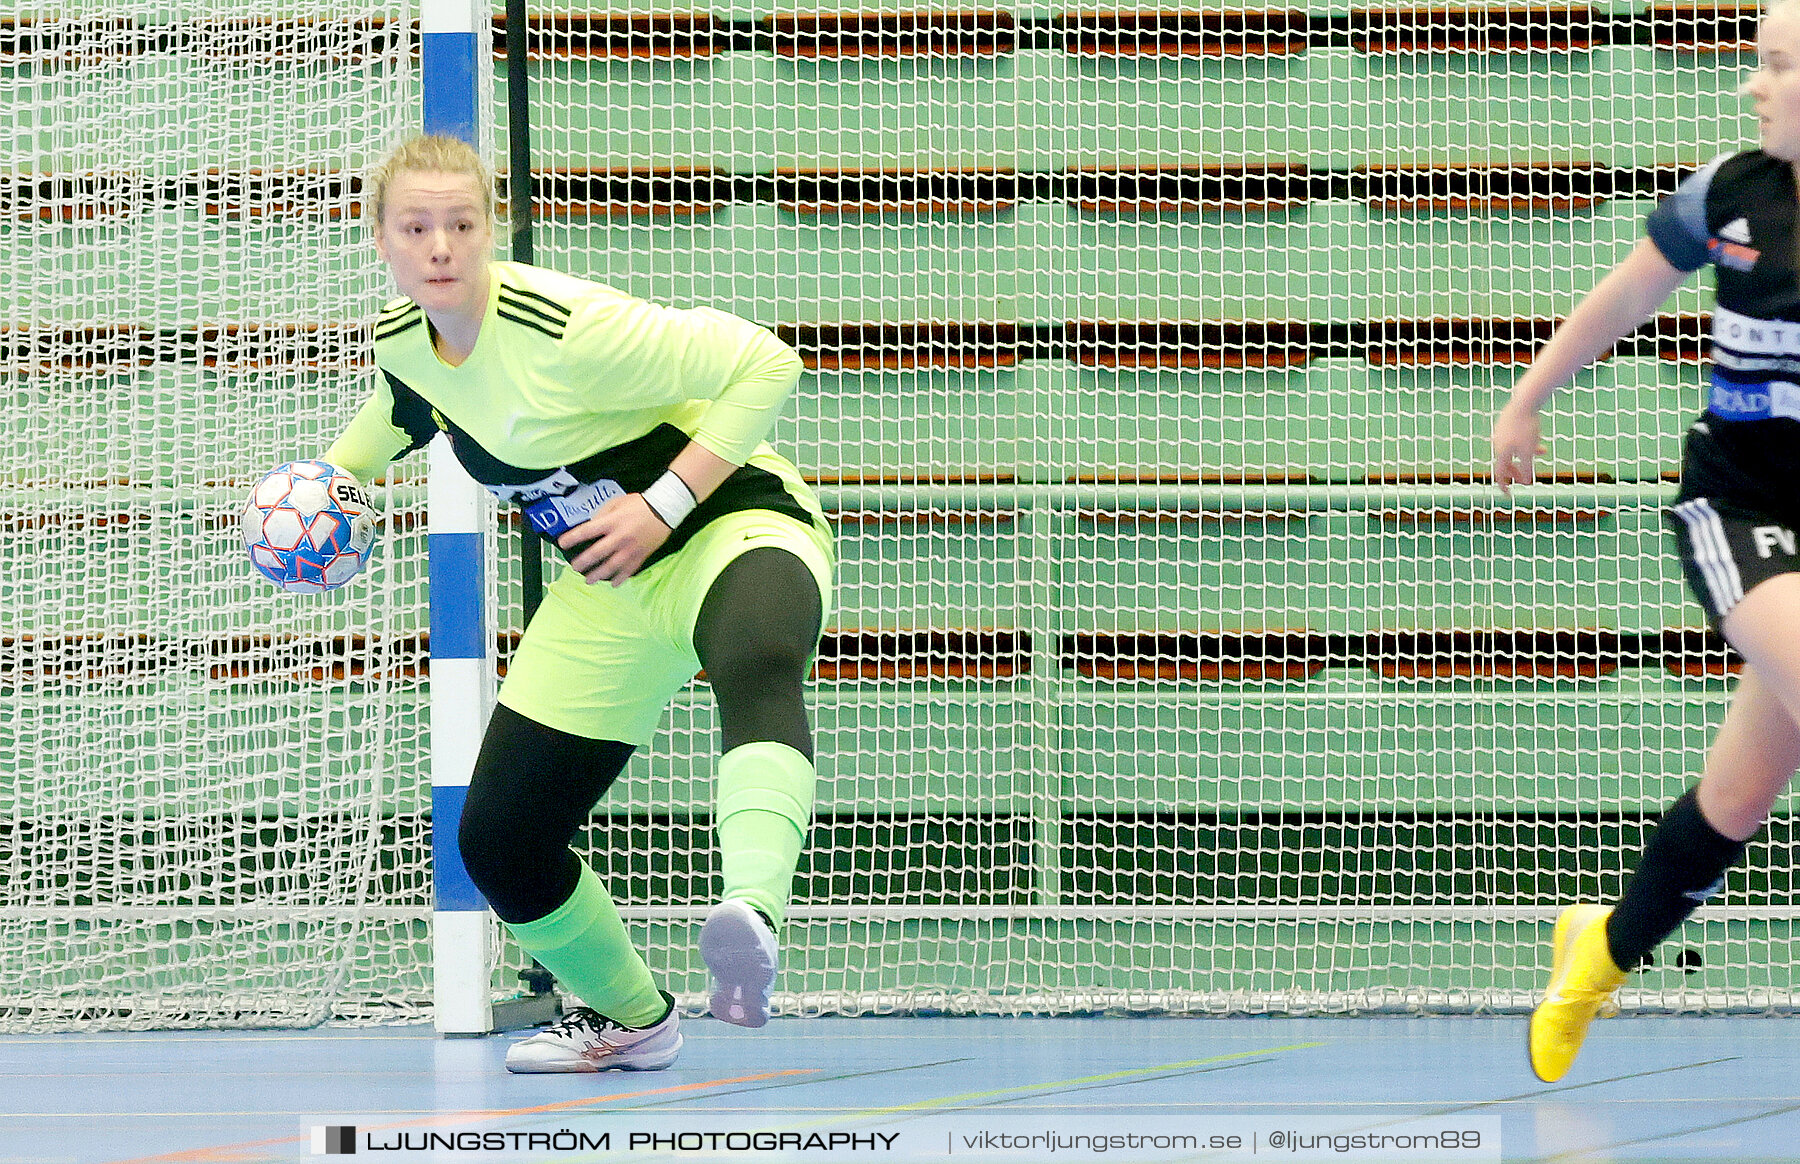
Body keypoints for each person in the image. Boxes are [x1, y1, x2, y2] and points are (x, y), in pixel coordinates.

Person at [324, 134, 834, 1072]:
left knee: (756, 656)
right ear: (383, 241)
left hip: (732, 526)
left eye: (461, 224)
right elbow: (406, 408)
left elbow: (765, 362)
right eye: (416, 227)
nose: (441, 246)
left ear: (491, 231)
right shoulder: (407, 341)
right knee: (500, 839)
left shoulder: (571, 327)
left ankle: (750, 922)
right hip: (608, 588)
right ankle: (633, 1019)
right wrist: (325, 491)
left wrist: (662, 505)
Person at [1491, 0, 1800, 1084]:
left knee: (1739, 795)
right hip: (1743, 512)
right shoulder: (1731, 196)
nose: (1750, 85)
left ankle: (1599, 954)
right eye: (1755, 62)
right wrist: (1530, 397)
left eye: (1774, 66)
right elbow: (1625, 295)